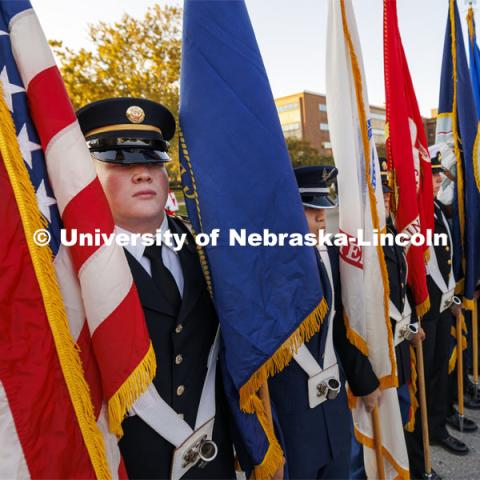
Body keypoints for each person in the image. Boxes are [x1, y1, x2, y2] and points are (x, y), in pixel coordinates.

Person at [77, 97, 236, 479]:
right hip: (130, 465)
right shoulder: (73, 266)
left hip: (213, 461)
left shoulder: (206, 248)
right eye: (120, 162)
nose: (143, 173)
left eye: (152, 161)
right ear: (87, 175)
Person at [262, 165, 379, 479]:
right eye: (310, 209)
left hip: (333, 400)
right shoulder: (262, 270)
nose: (321, 217)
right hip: (290, 411)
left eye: (323, 209)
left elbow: (340, 326)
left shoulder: (330, 254)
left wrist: (363, 381)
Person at [350, 160, 429, 479]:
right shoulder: (356, 241)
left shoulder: (391, 233)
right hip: (373, 350)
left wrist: (412, 325)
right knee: (367, 431)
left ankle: (402, 470)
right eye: (376, 195)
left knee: (400, 414)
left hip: (398, 343)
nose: (383, 200)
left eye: (386, 195)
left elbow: (402, 284)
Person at [405, 152, 473, 476]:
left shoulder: (436, 210)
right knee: (427, 378)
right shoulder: (414, 214)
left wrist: (454, 296)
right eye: (432, 175)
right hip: (426, 308)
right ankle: (430, 432)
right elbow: (414, 268)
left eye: (437, 175)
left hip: (443, 303)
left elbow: (444, 259)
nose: (437, 180)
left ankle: (440, 419)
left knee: (441, 372)